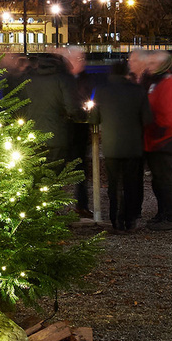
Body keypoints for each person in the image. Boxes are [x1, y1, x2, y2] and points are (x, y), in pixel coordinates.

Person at [90, 61, 152, 231]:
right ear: (126, 73)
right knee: (131, 183)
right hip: (133, 145)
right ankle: (130, 219)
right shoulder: (137, 91)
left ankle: (115, 218)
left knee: (114, 183)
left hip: (112, 144)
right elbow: (148, 119)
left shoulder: (102, 91)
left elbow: (94, 119)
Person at [142, 52, 172, 230]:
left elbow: (168, 113)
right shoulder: (158, 81)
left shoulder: (169, 82)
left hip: (164, 137)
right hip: (157, 136)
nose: (149, 65)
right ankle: (163, 214)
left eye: (153, 62)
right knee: (158, 179)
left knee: (165, 179)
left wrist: (158, 129)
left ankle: (170, 217)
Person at [19, 52, 78, 166]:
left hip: (34, 134)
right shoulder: (63, 79)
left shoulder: (29, 80)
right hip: (57, 134)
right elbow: (71, 107)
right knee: (55, 173)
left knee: (38, 173)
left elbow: (22, 105)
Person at [62, 47, 94, 218]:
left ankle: (82, 205)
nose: (82, 61)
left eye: (83, 58)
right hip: (64, 131)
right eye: (78, 58)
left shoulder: (85, 78)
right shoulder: (63, 79)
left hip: (80, 131)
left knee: (81, 170)